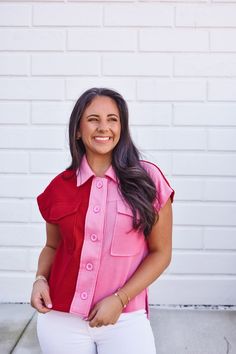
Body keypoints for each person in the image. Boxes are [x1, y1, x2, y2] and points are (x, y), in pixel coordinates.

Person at [30, 87, 174, 354]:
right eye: (93, 119)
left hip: (125, 318)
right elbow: (52, 247)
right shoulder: (59, 187)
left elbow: (161, 253)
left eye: (113, 119)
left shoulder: (148, 180)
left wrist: (120, 299)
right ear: (78, 130)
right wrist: (40, 279)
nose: (103, 127)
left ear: (122, 128)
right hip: (60, 318)